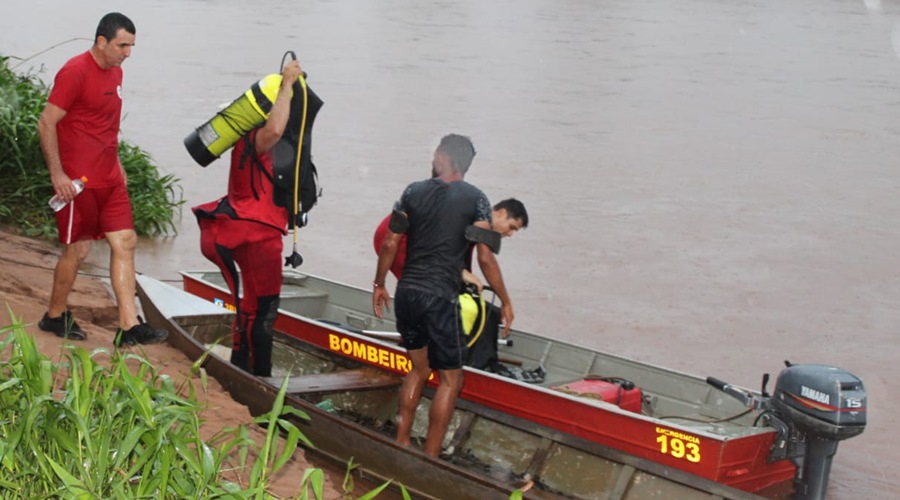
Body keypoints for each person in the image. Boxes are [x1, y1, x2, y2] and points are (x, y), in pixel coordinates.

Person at [372, 133, 514, 458]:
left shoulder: (412, 192)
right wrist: (505, 299)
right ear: (465, 164)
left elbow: (390, 243)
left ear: (440, 157)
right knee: (451, 380)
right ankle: (430, 459)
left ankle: (402, 443)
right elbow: (485, 257)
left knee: (419, 369)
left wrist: (379, 283)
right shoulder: (476, 199)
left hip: (407, 293)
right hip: (440, 297)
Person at [37, 12, 167, 347]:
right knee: (78, 250)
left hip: (110, 179)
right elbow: (46, 123)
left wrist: (119, 162)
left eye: (132, 46)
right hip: (78, 184)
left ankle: (128, 326)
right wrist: (57, 174)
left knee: (125, 242)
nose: (128, 53)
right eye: (123, 45)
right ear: (101, 41)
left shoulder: (116, 72)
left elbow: (105, 124)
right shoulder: (75, 71)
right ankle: (54, 315)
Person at [192, 59, 304, 377]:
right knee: (265, 308)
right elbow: (276, 129)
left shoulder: (242, 143)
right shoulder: (257, 140)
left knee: (251, 305)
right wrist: (286, 85)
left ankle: (242, 365)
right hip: (258, 235)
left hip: (240, 229)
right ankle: (260, 375)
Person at [372, 197, 529, 282]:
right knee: (421, 285)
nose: (510, 234)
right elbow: (435, 245)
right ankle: (416, 337)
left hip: (417, 240)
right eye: (512, 227)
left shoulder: (480, 226)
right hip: (397, 237)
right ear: (501, 213)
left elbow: (464, 259)